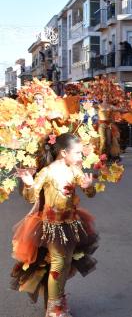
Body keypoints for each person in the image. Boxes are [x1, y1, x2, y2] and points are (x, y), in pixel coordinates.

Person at [11, 134, 98, 317]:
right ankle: (54, 309)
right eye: (77, 153)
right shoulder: (47, 172)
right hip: (52, 226)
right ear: (64, 152)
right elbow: (30, 197)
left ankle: (57, 297)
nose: (81, 157)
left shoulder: (75, 170)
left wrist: (89, 186)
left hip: (72, 224)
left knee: (66, 264)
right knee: (58, 263)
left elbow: (90, 193)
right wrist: (28, 184)